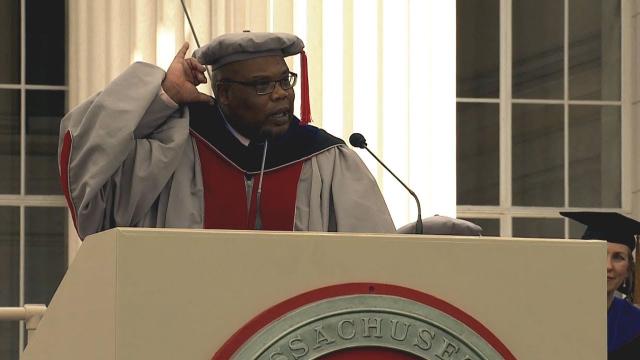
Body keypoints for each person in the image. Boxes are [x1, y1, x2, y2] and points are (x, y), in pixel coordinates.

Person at [58, 32, 395, 239]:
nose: (282, 95)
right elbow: (91, 176)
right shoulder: (175, 148)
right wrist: (164, 96)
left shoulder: (326, 160)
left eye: (284, 81)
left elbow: (375, 262)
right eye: (262, 85)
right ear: (224, 93)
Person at [561, 211, 640, 359]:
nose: (608, 266)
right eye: (600, 254)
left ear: (628, 270)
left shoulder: (635, 323)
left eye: (618, 257)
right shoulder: (553, 315)